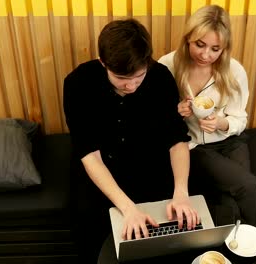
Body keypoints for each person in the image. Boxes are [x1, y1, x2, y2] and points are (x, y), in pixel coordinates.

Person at [63, 19, 199, 263]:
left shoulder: (160, 77)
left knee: (173, 235)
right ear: (103, 62)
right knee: (95, 237)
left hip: (148, 165)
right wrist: (127, 208)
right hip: (100, 171)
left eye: (139, 77)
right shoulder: (77, 83)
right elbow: (89, 154)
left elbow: (177, 140)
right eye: (121, 78)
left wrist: (181, 192)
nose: (132, 86)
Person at [158, 5, 256, 230]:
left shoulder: (234, 71)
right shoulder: (167, 66)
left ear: (224, 48)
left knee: (230, 201)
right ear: (188, 39)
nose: (206, 55)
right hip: (195, 147)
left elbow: (239, 119)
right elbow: (155, 116)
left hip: (232, 141)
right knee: (248, 185)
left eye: (215, 49)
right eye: (200, 44)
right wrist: (175, 112)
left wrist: (221, 122)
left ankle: (243, 249)